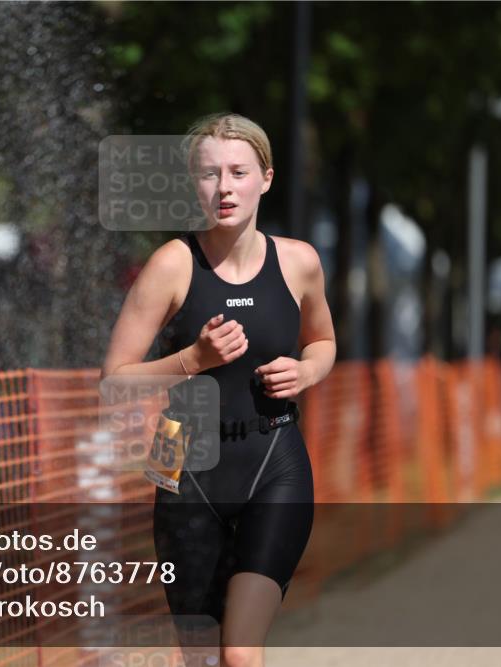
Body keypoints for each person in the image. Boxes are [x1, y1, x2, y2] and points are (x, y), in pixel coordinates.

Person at [101, 113, 336, 667]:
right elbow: (113, 380)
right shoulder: (171, 265)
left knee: (238, 652)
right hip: (181, 457)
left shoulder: (299, 262)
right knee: (201, 657)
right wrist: (192, 360)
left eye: (238, 172)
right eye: (209, 174)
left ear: (267, 178)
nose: (224, 188)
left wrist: (305, 372)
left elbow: (323, 341)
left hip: (273, 455)